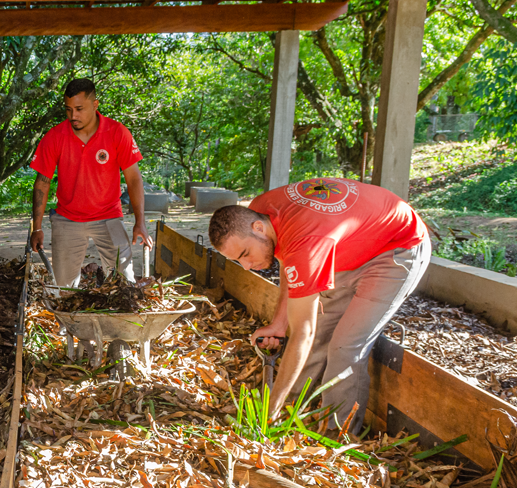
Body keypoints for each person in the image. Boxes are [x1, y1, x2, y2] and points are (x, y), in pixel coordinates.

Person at [208, 177, 431, 435]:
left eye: (245, 255)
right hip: (348, 247)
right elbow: (287, 259)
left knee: (345, 347)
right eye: (238, 261)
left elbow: (303, 331)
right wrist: (280, 323)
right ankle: (288, 415)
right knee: (318, 339)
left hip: (396, 249)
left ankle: (334, 437)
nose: (246, 266)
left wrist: (269, 408)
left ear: (258, 228)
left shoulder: (306, 241)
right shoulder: (258, 212)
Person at [29, 78, 153, 287]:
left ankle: (121, 319)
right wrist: (37, 228)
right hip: (67, 218)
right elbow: (42, 183)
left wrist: (140, 222)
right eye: (68, 110)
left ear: (95, 105)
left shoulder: (116, 132)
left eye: (79, 109)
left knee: (125, 282)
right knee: (64, 287)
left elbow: (133, 179)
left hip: (109, 216)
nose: (73, 116)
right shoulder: (55, 136)